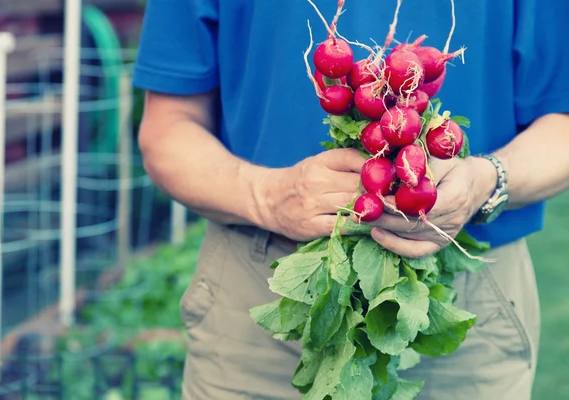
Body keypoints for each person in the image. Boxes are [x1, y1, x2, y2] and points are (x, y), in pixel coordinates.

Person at [132, 0, 569, 398]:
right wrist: (266, 196)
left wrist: (484, 181)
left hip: (466, 289)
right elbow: (167, 129)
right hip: (262, 285)